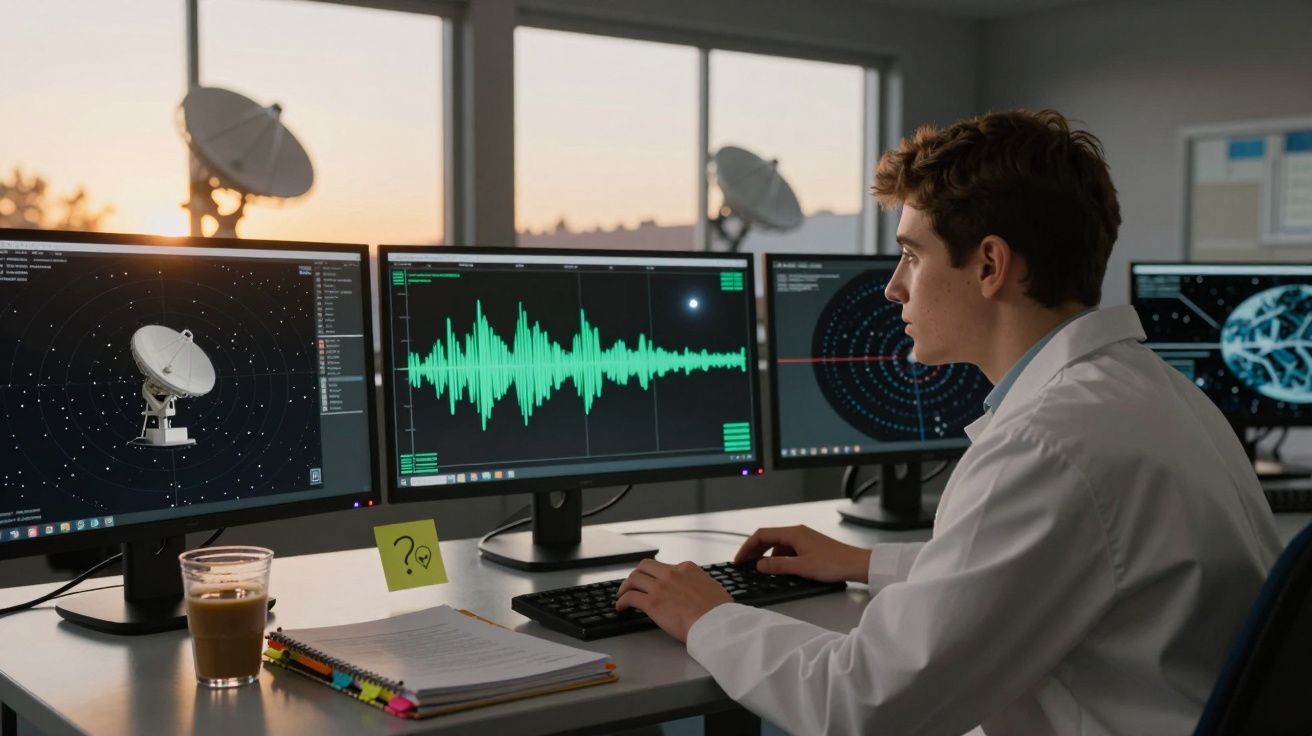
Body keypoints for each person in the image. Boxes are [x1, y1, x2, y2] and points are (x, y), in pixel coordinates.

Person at [616, 109, 1283, 735]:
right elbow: (1032, 566)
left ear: (989, 265)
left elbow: (861, 703)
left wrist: (709, 617)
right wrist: (866, 562)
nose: (894, 287)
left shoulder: (1045, 446)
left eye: (912, 254)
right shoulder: (1153, 394)